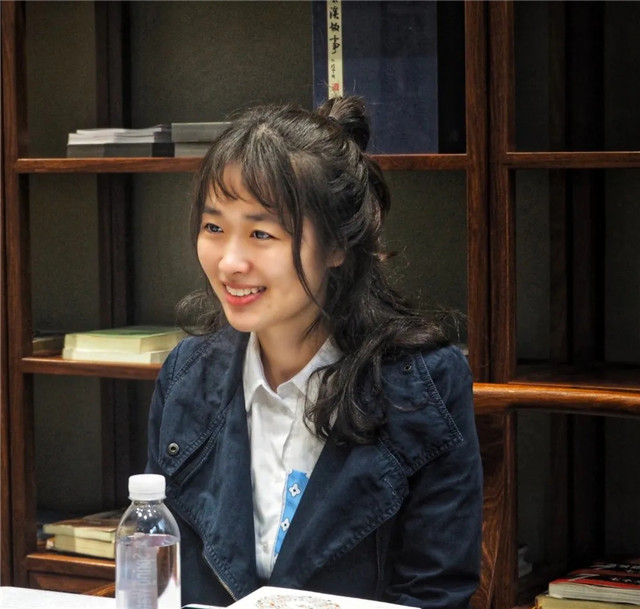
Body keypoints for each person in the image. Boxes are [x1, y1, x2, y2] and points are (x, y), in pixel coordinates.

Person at [146, 96, 482, 609]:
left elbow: (434, 593)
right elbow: (159, 571)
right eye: (214, 227)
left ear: (336, 246)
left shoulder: (423, 386)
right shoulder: (186, 376)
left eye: (261, 233)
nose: (230, 262)